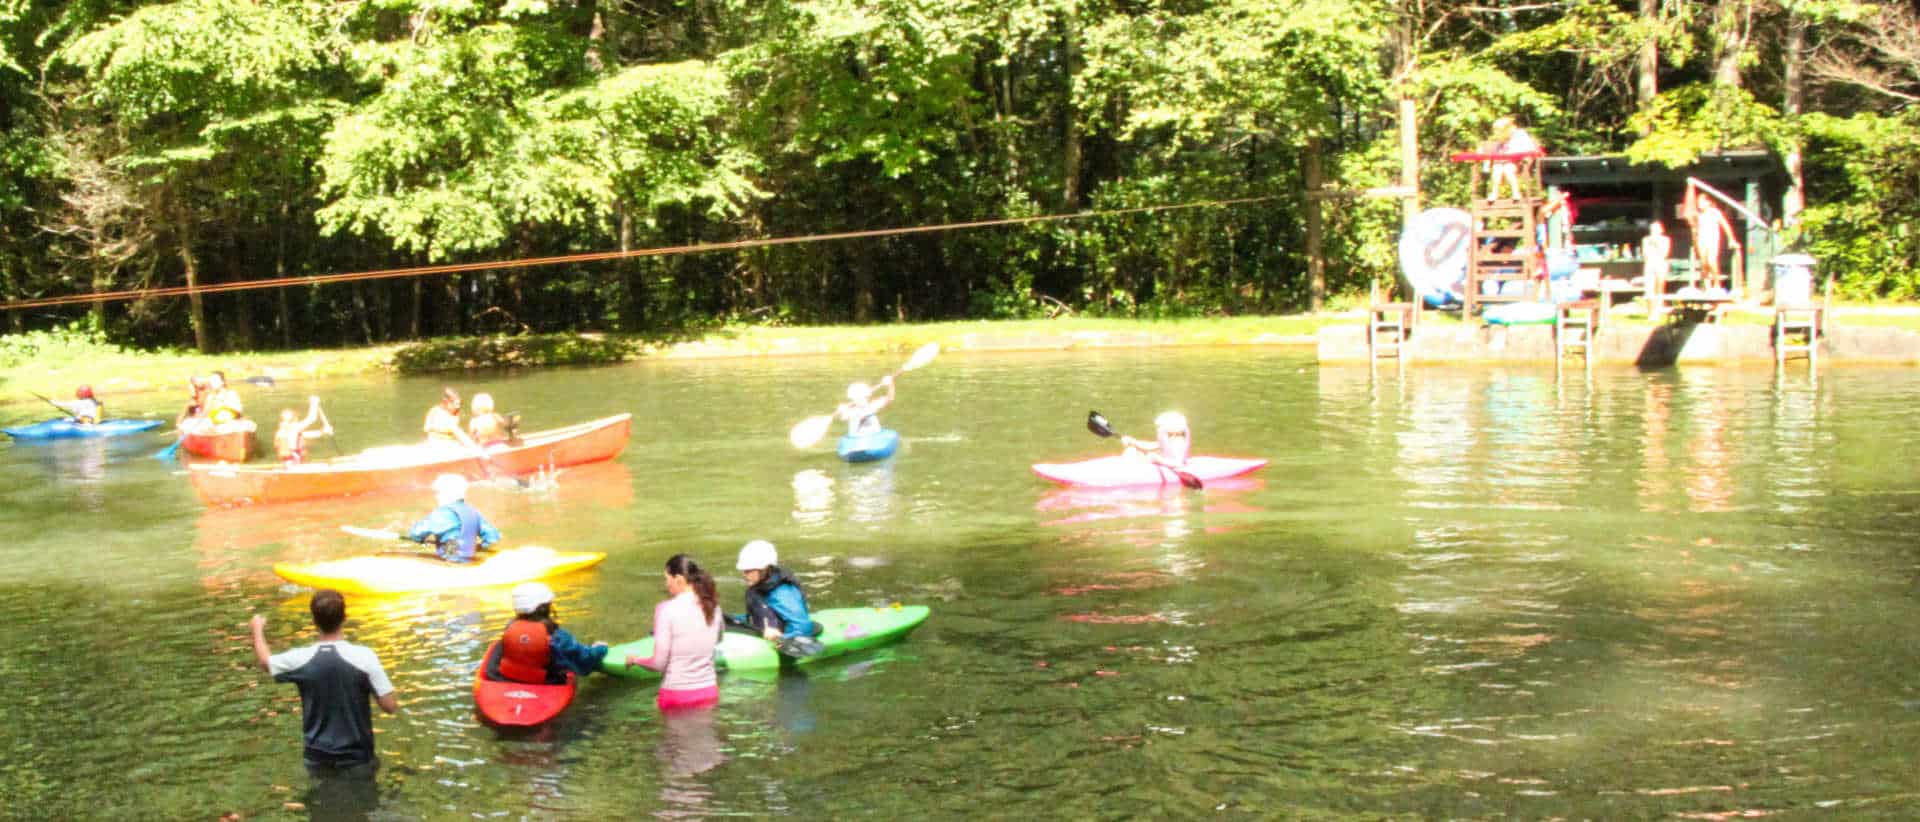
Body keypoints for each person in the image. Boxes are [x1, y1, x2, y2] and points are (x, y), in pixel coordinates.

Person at [250, 589, 399, 778]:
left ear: (314, 621)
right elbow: (390, 706)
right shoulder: (365, 657)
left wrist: (257, 629)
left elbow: (265, 662)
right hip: (357, 758)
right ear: (345, 617)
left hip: (317, 758)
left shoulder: (301, 659)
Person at [624, 554, 724, 711]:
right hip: (708, 692)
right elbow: (718, 639)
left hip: (676, 695)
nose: (666, 585)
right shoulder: (714, 607)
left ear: (679, 579)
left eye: (667, 579)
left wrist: (636, 660)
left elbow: (659, 664)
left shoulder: (666, 609)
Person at [488, 582, 609, 685]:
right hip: (545, 683)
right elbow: (584, 660)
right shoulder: (557, 636)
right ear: (544, 608)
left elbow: (495, 663)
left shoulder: (510, 627)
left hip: (507, 679)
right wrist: (600, 648)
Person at [731, 540, 820, 649]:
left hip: (784, 639)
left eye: (748, 571)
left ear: (764, 569)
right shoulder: (758, 587)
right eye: (744, 570)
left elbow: (803, 627)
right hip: (763, 634)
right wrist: (733, 619)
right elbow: (757, 616)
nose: (744, 575)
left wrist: (782, 638)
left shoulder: (783, 593)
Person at [405, 473, 500, 563]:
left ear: (448, 493)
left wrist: (419, 539)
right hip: (469, 559)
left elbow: (416, 533)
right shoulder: (473, 511)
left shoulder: (442, 513)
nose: (436, 497)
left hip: (449, 560)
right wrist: (481, 547)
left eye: (438, 493)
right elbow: (492, 537)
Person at [1690, 192, 1741, 290]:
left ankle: (1717, 284)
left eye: (1701, 201)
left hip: (1712, 239)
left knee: (1711, 260)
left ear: (1708, 202)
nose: (1699, 204)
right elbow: (1695, 230)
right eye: (1698, 202)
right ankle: (1706, 286)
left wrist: (1731, 238)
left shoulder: (1715, 212)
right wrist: (1695, 240)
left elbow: (1725, 225)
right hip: (1702, 241)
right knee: (1704, 263)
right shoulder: (1698, 215)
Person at [1483, 117, 1540, 201]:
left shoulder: (1520, 135)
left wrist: (1524, 158)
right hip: (1503, 161)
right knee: (1496, 168)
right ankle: (1494, 192)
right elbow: (1495, 150)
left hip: (1519, 162)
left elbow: (1528, 149)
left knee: (1508, 168)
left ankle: (1515, 192)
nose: (1498, 134)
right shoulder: (1502, 138)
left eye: (1500, 131)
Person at [1120, 411, 1192, 469]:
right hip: (1163, 460)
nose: (1158, 429)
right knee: (1131, 450)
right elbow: (1152, 446)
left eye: (1160, 427)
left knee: (1135, 453)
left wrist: (1157, 460)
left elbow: (1178, 463)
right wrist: (1132, 442)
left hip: (1169, 464)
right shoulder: (1171, 439)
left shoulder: (1178, 442)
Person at [276, 396, 333, 465]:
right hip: (293, 463)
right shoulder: (292, 428)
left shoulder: (291, 431)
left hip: (293, 463)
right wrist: (314, 403)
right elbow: (312, 418)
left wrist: (324, 431)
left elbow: (308, 435)